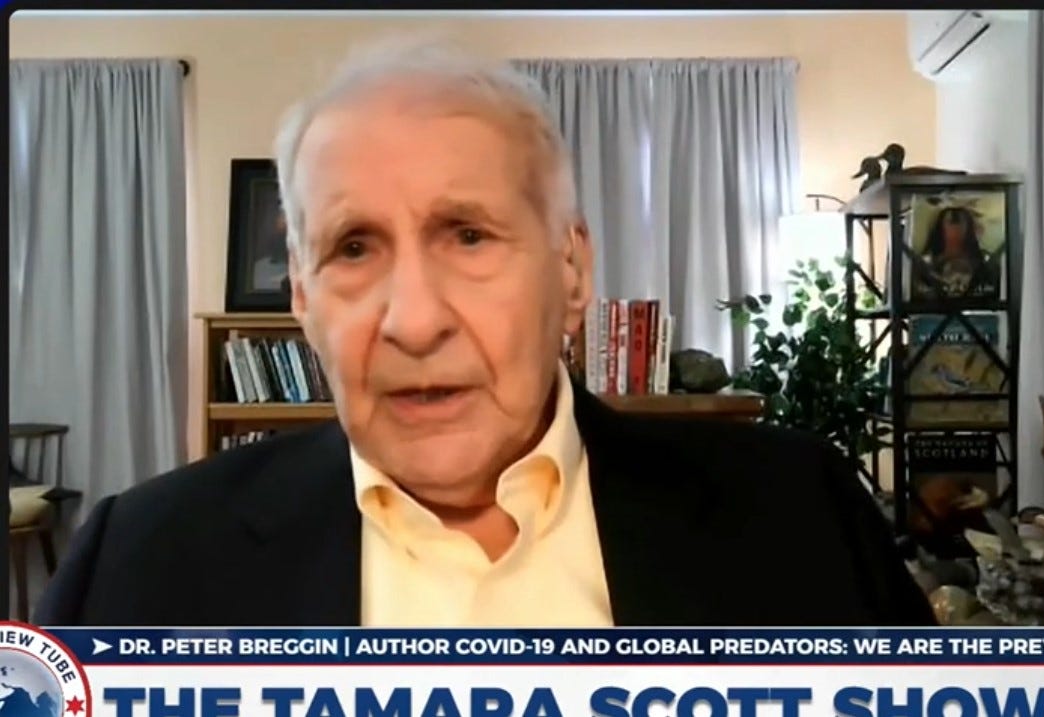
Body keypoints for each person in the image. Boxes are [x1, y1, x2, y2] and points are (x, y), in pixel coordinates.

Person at [35, 38, 935, 628]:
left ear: (571, 271)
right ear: (303, 301)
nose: (414, 320)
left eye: (468, 235)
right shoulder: (137, 562)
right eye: (355, 248)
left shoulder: (802, 517)